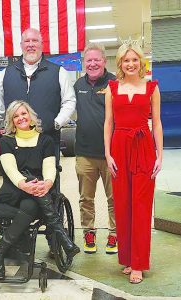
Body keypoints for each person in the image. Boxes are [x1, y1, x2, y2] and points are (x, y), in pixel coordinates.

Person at [0, 27, 76, 254]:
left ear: (42, 44)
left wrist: (55, 124)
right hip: (13, 144)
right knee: (15, 184)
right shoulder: (6, 73)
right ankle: (18, 237)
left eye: (34, 40)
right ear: (21, 45)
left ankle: (54, 240)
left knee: (49, 187)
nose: (30, 44)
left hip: (47, 141)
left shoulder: (58, 72)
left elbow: (69, 102)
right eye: (26, 41)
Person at [0, 100, 80, 280]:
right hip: (14, 190)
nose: (20, 118)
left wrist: (47, 183)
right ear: (11, 121)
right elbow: (10, 169)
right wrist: (25, 184)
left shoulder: (45, 140)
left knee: (31, 205)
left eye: (23, 114)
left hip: (39, 191)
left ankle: (0, 253)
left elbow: (49, 167)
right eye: (15, 116)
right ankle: (64, 240)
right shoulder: (7, 141)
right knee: (30, 188)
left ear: (31, 116)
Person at [104, 39, 163, 284]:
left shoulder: (152, 88)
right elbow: (108, 123)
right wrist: (107, 154)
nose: (130, 64)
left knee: (140, 205)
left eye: (134, 59)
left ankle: (138, 264)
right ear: (120, 63)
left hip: (143, 147)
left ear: (141, 62)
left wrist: (160, 154)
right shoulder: (112, 88)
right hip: (118, 147)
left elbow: (157, 123)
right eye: (126, 60)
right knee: (123, 205)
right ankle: (127, 259)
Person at [74, 43, 117, 255]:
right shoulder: (77, 85)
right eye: (88, 60)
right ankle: (88, 232)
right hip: (84, 153)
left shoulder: (114, 83)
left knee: (114, 198)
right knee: (86, 198)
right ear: (83, 63)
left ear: (104, 61)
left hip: (112, 154)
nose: (92, 64)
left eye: (96, 60)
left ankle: (114, 234)